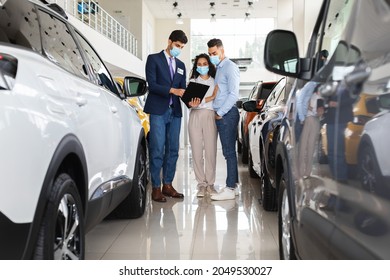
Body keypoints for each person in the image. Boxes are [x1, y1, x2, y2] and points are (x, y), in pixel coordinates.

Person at [144, 30, 188, 202]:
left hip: (175, 111)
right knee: (157, 148)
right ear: (169, 41)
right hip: (158, 111)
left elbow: (182, 89)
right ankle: (156, 187)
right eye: (177, 45)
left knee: (173, 150)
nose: (178, 49)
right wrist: (172, 90)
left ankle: (167, 185)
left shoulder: (182, 66)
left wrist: (191, 100)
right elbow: (152, 85)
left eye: (182, 47)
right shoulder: (153, 59)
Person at [207, 38, 240, 201]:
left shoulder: (229, 67)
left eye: (214, 53)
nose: (212, 56)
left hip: (227, 114)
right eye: (210, 54)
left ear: (222, 50)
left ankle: (230, 188)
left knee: (229, 153)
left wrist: (220, 112)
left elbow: (234, 94)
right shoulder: (219, 68)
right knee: (229, 152)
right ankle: (236, 186)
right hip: (222, 114)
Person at [188, 54, 218, 197]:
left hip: (210, 116)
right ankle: (201, 184)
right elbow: (190, 103)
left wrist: (201, 101)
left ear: (209, 65)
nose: (202, 66)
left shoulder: (215, 81)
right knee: (197, 151)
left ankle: (210, 184)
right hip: (195, 116)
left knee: (211, 151)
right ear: (196, 66)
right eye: (199, 64)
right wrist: (211, 97)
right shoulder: (192, 82)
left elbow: (203, 101)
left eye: (204, 63)